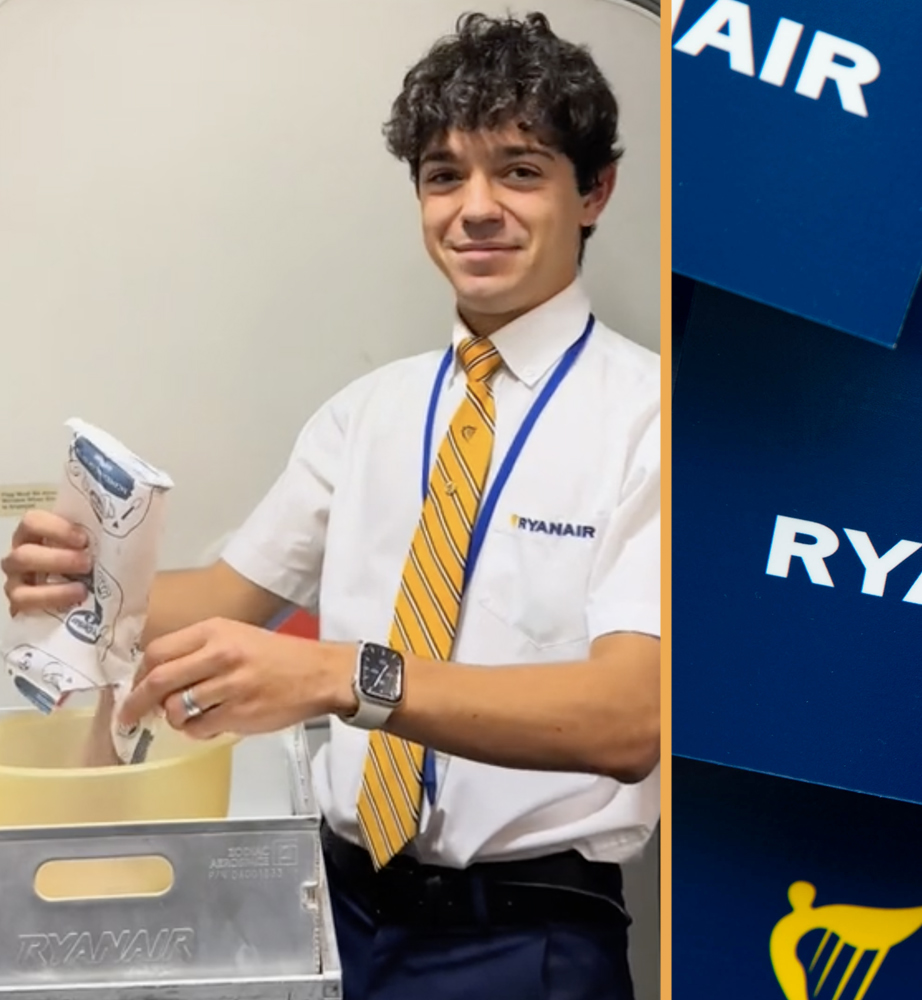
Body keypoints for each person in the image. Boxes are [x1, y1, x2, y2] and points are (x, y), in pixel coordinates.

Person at [2, 12, 658, 1000]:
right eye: (443, 175)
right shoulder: (368, 414)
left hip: (529, 938)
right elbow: (227, 598)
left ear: (592, 189)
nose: (474, 207)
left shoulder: (647, 417)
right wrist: (78, 584)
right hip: (340, 916)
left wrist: (344, 674)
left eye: (519, 170)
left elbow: (626, 715)